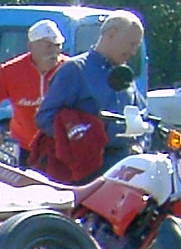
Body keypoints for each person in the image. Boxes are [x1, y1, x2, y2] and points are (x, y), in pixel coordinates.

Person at [32, 12, 145, 184]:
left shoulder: (124, 75)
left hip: (123, 169)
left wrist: (140, 144)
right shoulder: (75, 70)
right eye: (132, 44)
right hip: (84, 171)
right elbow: (45, 118)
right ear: (112, 33)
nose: (133, 51)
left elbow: (143, 116)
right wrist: (80, 137)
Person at [0, 18, 67, 151]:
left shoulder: (70, 69)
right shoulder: (10, 71)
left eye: (57, 45)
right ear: (31, 47)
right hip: (24, 146)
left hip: (59, 145)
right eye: (48, 46)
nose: (54, 52)